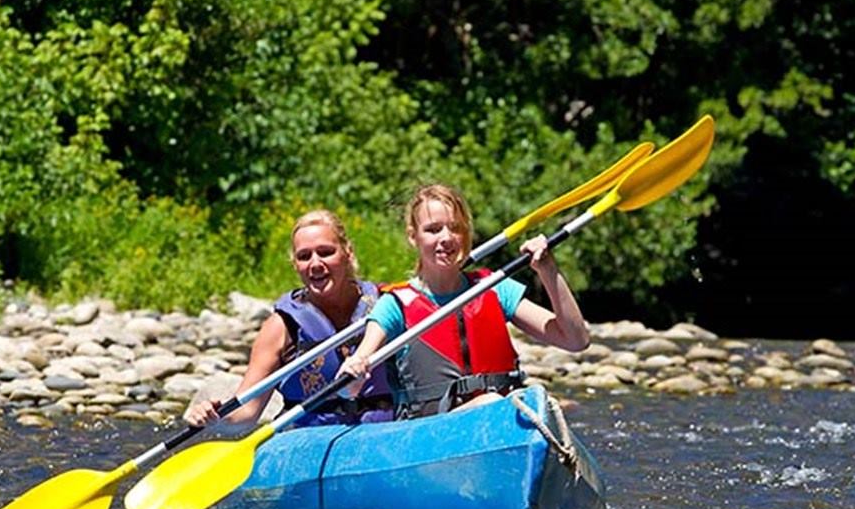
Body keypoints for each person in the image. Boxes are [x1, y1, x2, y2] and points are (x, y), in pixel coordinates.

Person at [338, 183, 590, 418]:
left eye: (455, 227)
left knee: (532, 402)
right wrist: (355, 371)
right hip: (431, 434)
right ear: (413, 237)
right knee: (491, 404)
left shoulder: (494, 287)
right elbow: (351, 384)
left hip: (499, 421)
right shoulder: (394, 306)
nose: (446, 238)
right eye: (433, 229)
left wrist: (547, 269)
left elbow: (575, 339)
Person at [184, 209, 393, 430]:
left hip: (382, 435)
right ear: (295, 264)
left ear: (347, 252)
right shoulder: (281, 326)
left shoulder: (387, 305)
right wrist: (216, 417)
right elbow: (246, 412)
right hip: (312, 441)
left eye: (325, 252)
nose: (315, 264)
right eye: (304, 256)